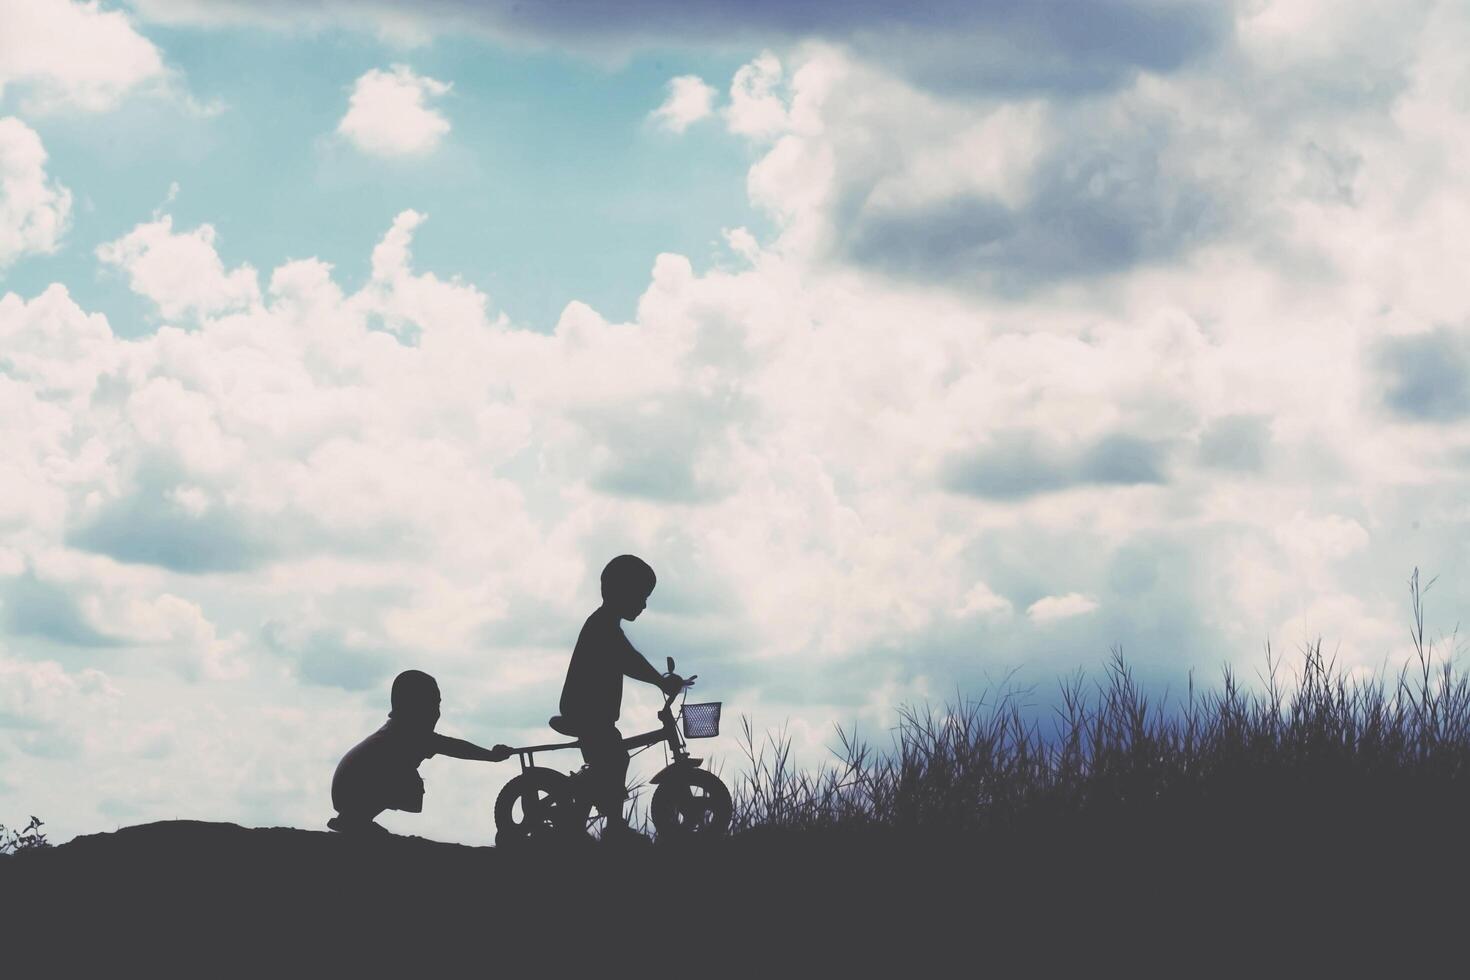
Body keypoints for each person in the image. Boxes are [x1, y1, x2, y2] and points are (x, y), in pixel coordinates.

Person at [557, 555, 686, 840]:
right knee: (614, 759)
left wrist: (659, 680)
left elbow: (630, 658)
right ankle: (610, 827)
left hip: (592, 712)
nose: (643, 604)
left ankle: (589, 819)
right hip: (586, 712)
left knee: (609, 763)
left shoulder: (606, 624)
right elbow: (629, 660)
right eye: (640, 596)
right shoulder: (602, 626)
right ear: (620, 592)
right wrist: (659, 681)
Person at [329, 669, 512, 835]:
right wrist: (491, 756)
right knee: (410, 781)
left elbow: (448, 745)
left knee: (404, 776)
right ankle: (355, 819)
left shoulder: (395, 731)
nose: (436, 712)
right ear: (413, 706)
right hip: (351, 790)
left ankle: (356, 818)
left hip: (346, 790)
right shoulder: (406, 734)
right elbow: (452, 746)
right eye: (432, 704)